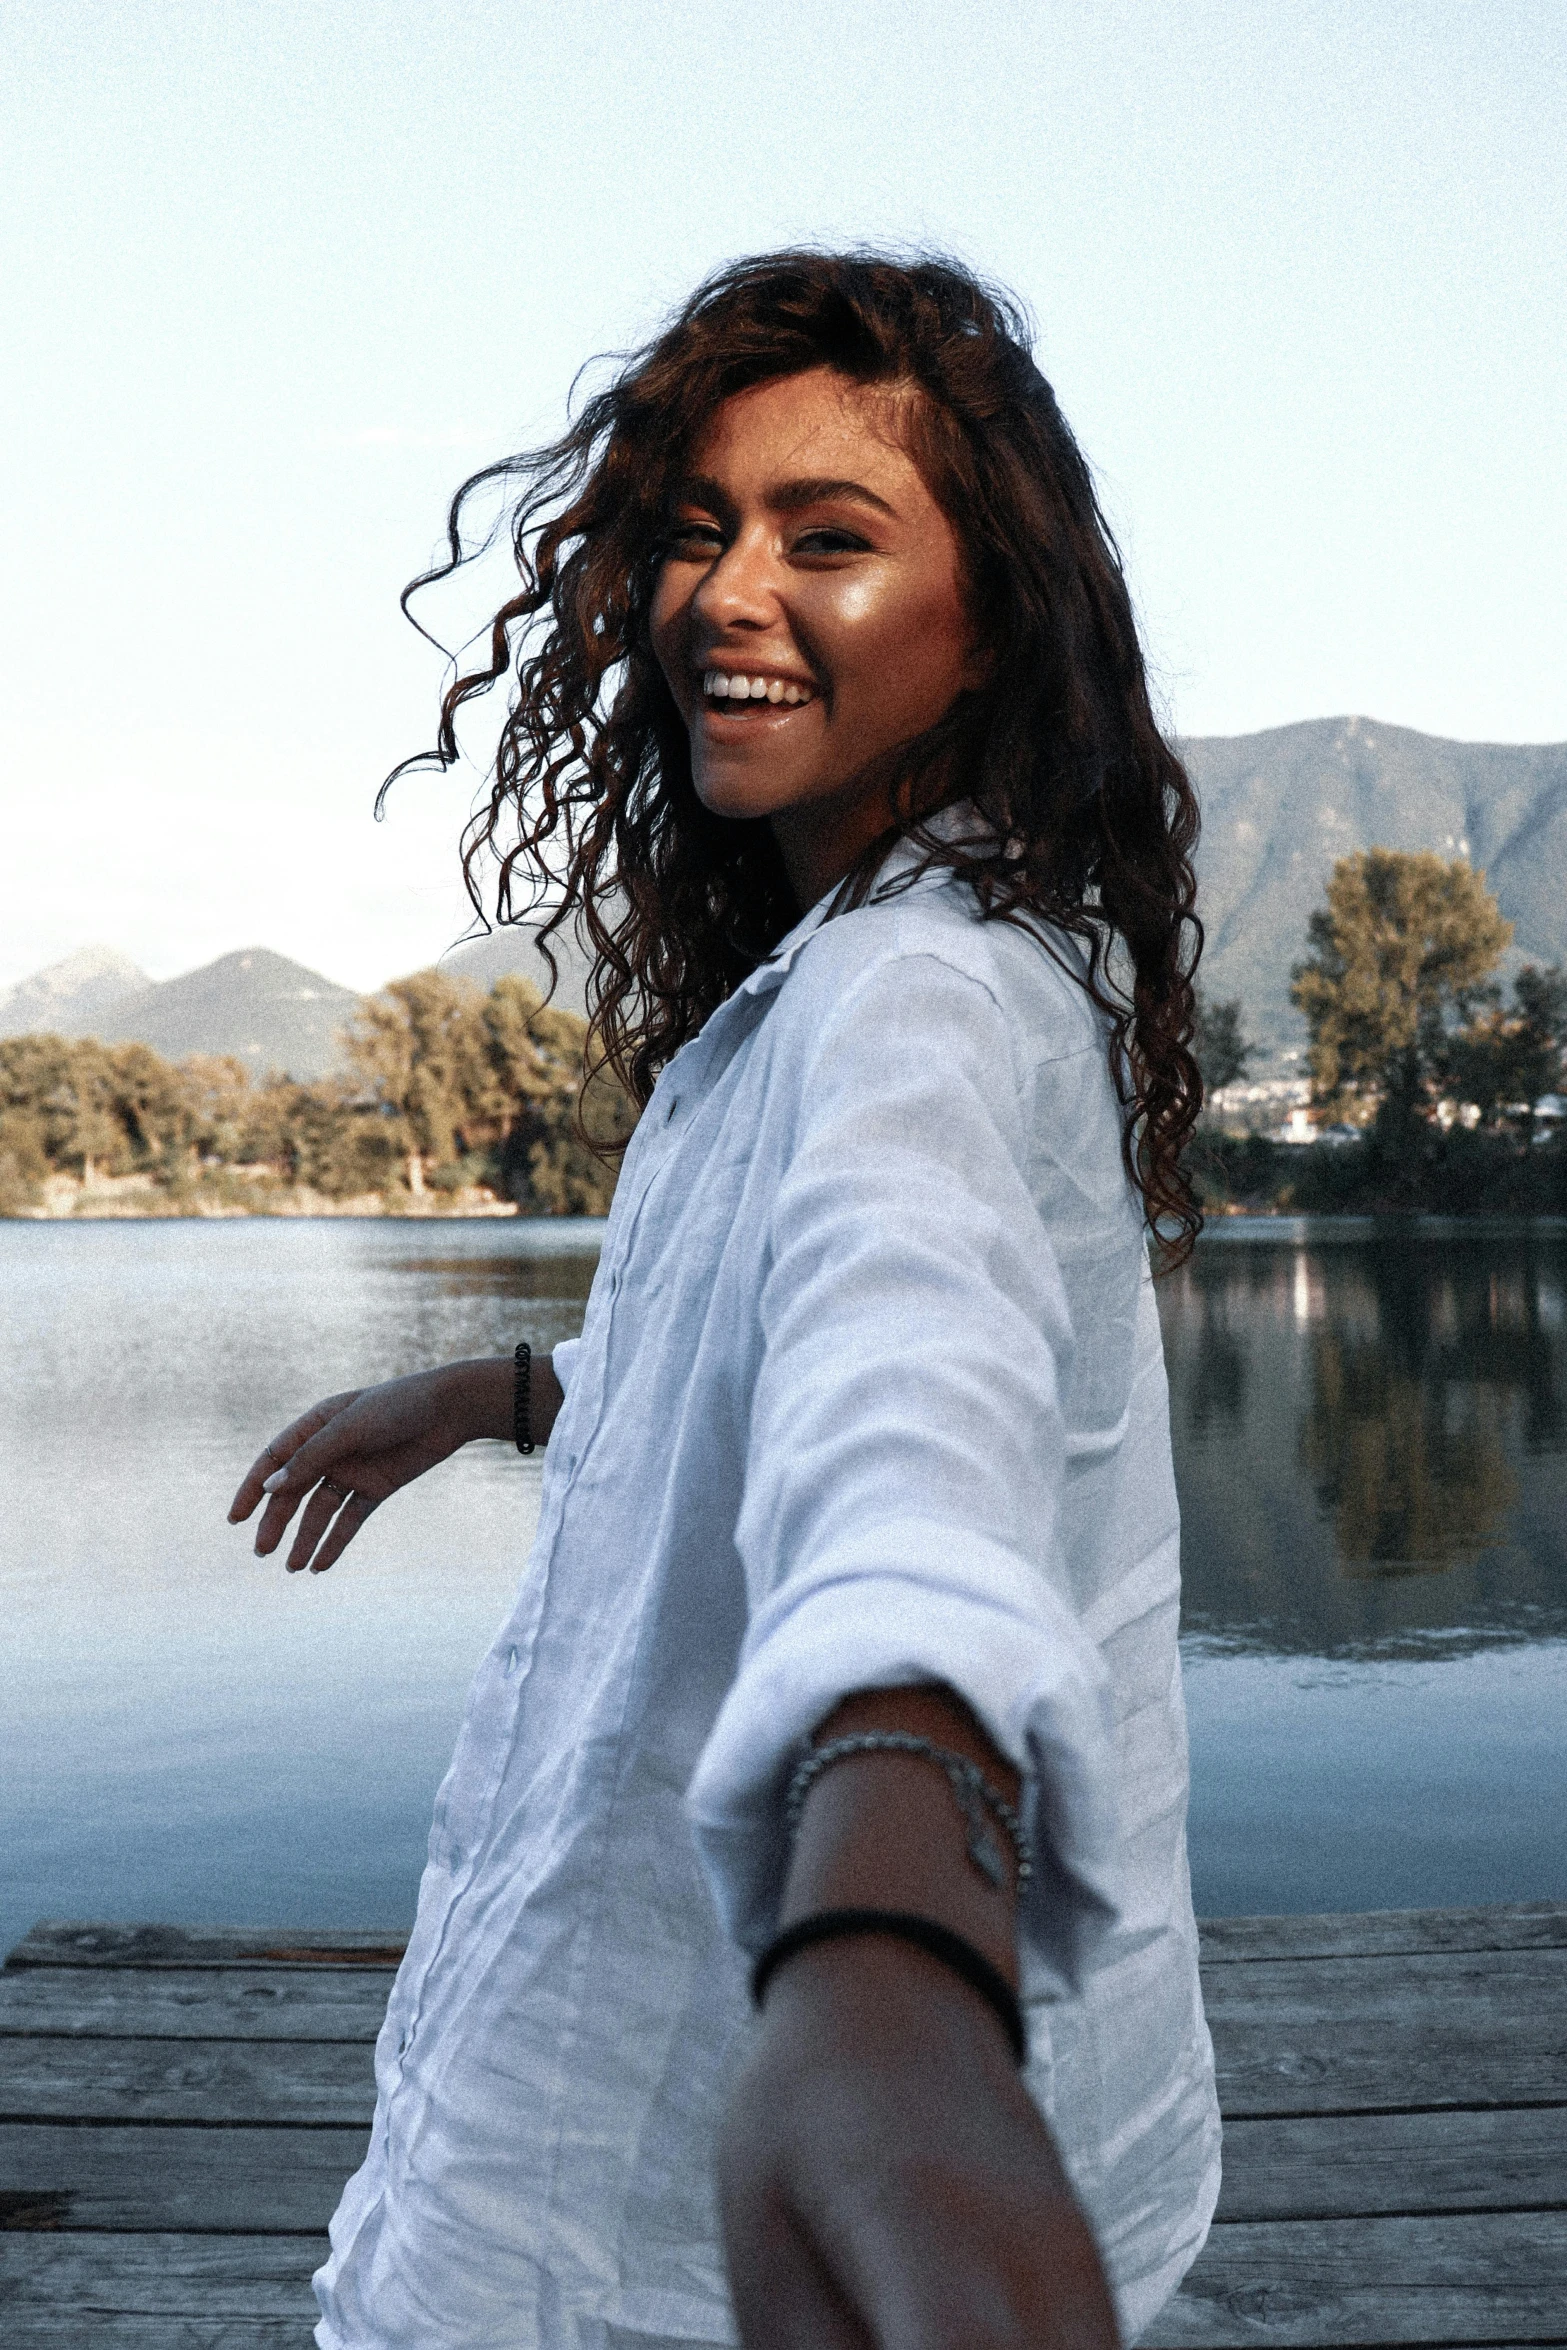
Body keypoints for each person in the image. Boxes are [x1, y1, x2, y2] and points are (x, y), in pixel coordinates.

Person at [228, 251, 1220, 2350]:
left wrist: (880, 1949)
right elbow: (782, 1356)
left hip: (672, 2227)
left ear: (990, 624)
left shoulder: (914, 992)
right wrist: (505, 1384)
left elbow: (911, 1402)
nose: (723, 591)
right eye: (694, 531)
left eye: (829, 538)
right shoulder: (920, 958)